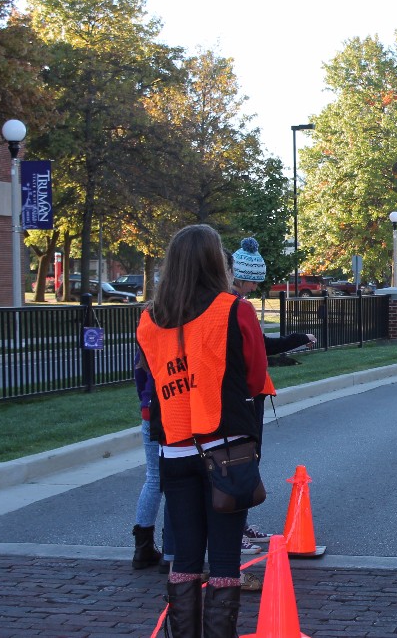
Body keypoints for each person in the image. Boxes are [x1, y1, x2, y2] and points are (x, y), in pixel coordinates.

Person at [137, 224, 268, 637]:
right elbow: (255, 375)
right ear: (217, 261)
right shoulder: (234, 309)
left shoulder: (149, 319)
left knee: (186, 557)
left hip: (174, 447)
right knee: (226, 559)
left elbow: (150, 377)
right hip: (225, 448)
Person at [228, 238, 316, 591]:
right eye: (252, 281)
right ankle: (234, 532)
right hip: (244, 398)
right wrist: (296, 338)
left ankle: (242, 523)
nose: (255, 287)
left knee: (249, 460)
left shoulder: (241, 304)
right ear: (242, 278)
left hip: (254, 394)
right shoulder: (236, 307)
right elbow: (260, 349)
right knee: (241, 462)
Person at [132, 352, 175, 574]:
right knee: (177, 478)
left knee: (154, 478)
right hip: (172, 407)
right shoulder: (178, 324)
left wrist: (145, 398)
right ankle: (171, 550)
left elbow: (139, 373)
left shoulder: (147, 327)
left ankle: (142, 547)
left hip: (149, 407)